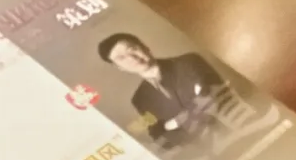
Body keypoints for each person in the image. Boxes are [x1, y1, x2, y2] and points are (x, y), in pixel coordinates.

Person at [97, 32, 227, 146]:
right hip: (201, 149)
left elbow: (212, 96)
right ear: (120, 68)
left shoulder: (188, 62)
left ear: (145, 46)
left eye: (132, 49)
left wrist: (172, 123)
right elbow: (158, 135)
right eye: (121, 58)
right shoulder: (140, 100)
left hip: (231, 125)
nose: (132, 58)